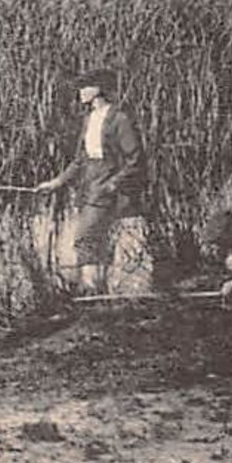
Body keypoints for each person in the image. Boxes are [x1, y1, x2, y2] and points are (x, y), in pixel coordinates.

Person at [35, 68, 149, 295]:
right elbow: (80, 160)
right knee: (91, 240)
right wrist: (57, 182)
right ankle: (97, 293)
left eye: (84, 87)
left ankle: (91, 291)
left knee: (85, 237)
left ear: (97, 90)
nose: (80, 92)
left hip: (109, 189)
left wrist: (113, 184)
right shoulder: (89, 119)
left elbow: (135, 160)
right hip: (91, 187)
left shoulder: (119, 119)